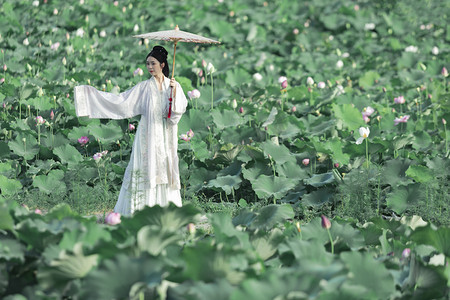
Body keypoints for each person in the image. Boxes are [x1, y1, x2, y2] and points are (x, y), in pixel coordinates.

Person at [74, 45, 187, 216]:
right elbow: (121, 102)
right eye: (148, 64)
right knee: (146, 169)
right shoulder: (144, 87)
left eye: (153, 63)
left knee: (165, 167)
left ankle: (167, 212)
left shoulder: (174, 85)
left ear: (163, 65)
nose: (149, 67)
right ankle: (141, 212)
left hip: (166, 137)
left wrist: (175, 92)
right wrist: (90, 95)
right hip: (147, 136)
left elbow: (177, 113)